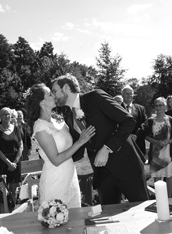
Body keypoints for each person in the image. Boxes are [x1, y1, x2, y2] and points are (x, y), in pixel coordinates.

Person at [52, 74, 149, 205]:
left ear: (65, 88)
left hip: (127, 166)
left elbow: (128, 121)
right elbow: (79, 149)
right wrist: (56, 160)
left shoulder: (95, 97)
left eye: (54, 91)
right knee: (108, 217)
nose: (53, 96)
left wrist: (107, 148)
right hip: (102, 174)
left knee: (140, 212)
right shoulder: (68, 115)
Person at [25, 83, 95, 208]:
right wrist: (80, 142)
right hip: (55, 179)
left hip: (70, 176)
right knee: (57, 219)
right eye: (50, 94)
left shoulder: (57, 119)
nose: (54, 95)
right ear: (42, 102)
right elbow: (56, 159)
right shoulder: (40, 127)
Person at [136, 97, 172, 197]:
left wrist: (169, 141)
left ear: (165, 106)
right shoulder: (150, 121)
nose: (158, 107)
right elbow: (145, 135)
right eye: (157, 105)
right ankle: (159, 199)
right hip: (155, 155)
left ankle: (169, 199)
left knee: (169, 177)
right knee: (157, 178)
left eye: (161, 105)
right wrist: (157, 142)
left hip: (168, 153)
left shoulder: (171, 120)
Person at [0, 107, 23, 197]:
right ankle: (4, 209)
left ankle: (13, 208)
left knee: (14, 189)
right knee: (3, 191)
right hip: (3, 162)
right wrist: (8, 163)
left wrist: (15, 162)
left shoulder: (16, 129)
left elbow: (21, 146)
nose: (6, 116)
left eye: (8, 114)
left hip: (15, 162)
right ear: (0, 117)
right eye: (4, 114)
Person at [121, 85, 148, 154]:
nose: (129, 95)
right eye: (127, 93)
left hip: (138, 143)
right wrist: (127, 136)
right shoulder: (116, 108)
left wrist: (136, 135)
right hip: (122, 145)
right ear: (122, 95)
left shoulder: (140, 109)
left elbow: (145, 123)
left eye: (131, 93)